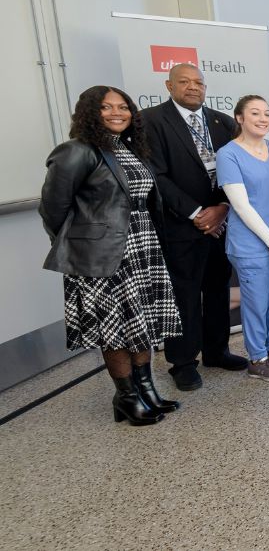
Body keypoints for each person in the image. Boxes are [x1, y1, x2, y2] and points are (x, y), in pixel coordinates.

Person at [40, 86, 182, 425]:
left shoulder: (130, 149)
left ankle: (146, 389)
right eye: (106, 107)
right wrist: (84, 244)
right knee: (115, 326)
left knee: (140, 322)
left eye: (123, 107)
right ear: (91, 112)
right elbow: (53, 209)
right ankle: (127, 397)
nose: (117, 112)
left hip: (141, 245)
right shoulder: (76, 151)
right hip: (102, 256)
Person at [143, 63, 246, 391]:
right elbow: (155, 175)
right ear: (169, 85)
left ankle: (217, 351)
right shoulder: (151, 121)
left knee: (217, 288)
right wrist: (196, 212)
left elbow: (237, 169)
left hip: (220, 222)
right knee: (184, 294)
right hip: (181, 226)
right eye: (184, 82)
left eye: (198, 82)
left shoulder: (222, 121)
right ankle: (183, 362)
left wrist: (222, 208)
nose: (193, 87)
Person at [216, 95, 269, 381]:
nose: (263, 119)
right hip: (250, 244)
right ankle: (258, 357)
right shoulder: (229, 154)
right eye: (255, 113)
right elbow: (240, 205)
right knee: (256, 302)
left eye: (267, 113)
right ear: (240, 118)